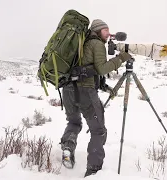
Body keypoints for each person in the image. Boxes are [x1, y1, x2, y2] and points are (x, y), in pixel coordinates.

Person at [59, 19, 132, 177]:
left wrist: (105, 87)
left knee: (73, 122)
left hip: (68, 90)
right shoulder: (97, 44)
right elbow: (102, 68)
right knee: (98, 131)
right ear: (98, 31)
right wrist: (121, 58)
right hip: (85, 92)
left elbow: (86, 70)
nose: (108, 33)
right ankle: (93, 171)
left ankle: (68, 147)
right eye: (105, 30)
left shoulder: (81, 42)